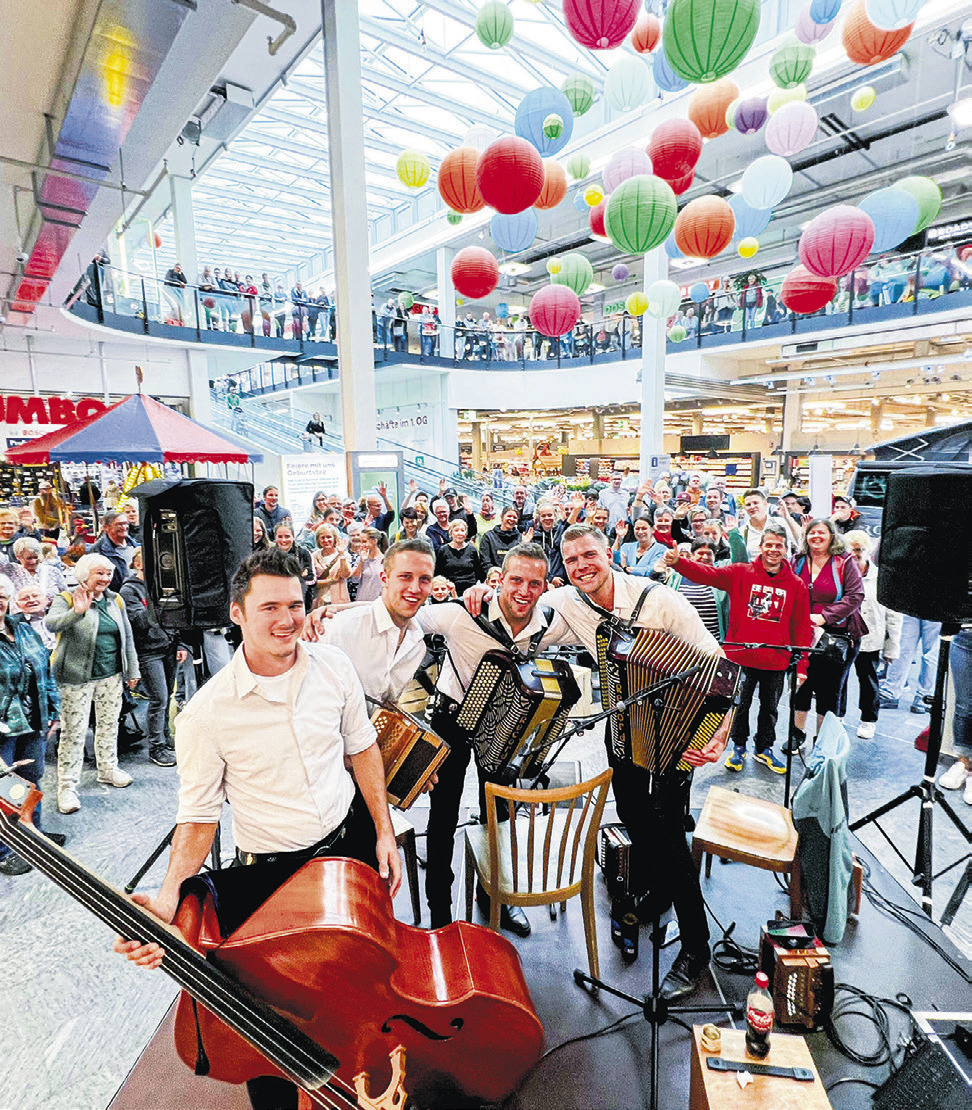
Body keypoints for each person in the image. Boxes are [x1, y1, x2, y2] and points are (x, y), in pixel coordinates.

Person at [114, 548, 400, 1110]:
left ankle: (360, 1081)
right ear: (237, 613)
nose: (286, 619)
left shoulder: (334, 667)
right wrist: (171, 892)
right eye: (269, 606)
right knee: (274, 1023)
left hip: (349, 845)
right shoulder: (205, 714)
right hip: (273, 876)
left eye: (295, 604)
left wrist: (384, 831)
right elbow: (198, 817)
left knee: (356, 986)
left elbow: (362, 748)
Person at [534, 525, 732, 1003]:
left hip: (672, 732)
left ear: (609, 554)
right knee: (633, 815)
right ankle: (660, 891)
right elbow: (527, 623)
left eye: (590, 555)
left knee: (668, 830)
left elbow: (720, 667)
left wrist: (720, 733)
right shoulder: (568, 603)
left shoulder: (661, 602)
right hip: (622, 726)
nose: (582, 566)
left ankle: (696, 946)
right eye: (572, 560)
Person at [664, 524, 812, 776]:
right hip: (739, 657)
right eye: (769, 544)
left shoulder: (796, 584)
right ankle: (738, 746)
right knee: (738, 706)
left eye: (779, 545)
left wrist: (802, 666)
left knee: (770, 708)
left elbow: (801, 626)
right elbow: (707, 574)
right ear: (761, 547)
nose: (773, 550)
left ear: (786, 549)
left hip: (775, 660)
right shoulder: (741, 573)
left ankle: (764, 748)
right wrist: (679, 563)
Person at [45, 553, 140, 815]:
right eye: (99, 573)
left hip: (111, 674)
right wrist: (77, 613)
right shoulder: (65, 599)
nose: (105, 578)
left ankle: (108, 769)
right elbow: (50, 624)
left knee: (108, 725)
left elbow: (127, 637)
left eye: (108, 574)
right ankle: (67, 786)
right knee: (74, 733)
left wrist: (132, 669)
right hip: (75, 677)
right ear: (84, 575)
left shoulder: (115, 600)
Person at [0, 575, 64, 876]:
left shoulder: (24, 630)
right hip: (3, 726)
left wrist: (53, 710)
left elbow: (45, 671)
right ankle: (4, 850)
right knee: (3, 787)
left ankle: (32, 836)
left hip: (33, 719)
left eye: (2, 595)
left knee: (32, 778)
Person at [789, 520, 866, 750]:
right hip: (801, 633)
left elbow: (855, 596)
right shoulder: (797, 560)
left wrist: (825, 616)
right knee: (800, 685)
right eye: (812, 532)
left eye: (821, 532)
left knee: (828, 691)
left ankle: (822, 741)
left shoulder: (845, 562)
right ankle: (797, 734)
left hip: (836, 634)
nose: (816, 536)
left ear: (832, 536)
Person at [120, 548, 188, 767]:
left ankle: (164, 738)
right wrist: (156, 598)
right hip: (148, 651)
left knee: (167, 696)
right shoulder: (129, 591)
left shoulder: (166, 585)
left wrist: (181, 643)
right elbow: (138, 622)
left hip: (169, 645)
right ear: (139, 565)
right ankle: (156, 746)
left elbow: (179, 615)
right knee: (158, 698)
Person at [844, 530, 900, 740]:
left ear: (868, 551)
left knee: (868, 681)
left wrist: (892, 648)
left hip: (871, 640)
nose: (855, 554)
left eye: (859, 549)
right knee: (838, 681)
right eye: (850, 550)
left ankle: (868, 720)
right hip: (844, 637)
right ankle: (837, 716)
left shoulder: (882, 579)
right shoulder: (840, 573)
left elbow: (894, 615)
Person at [6, 536, 66, 605]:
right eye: (29, 558)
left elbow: (65, 595)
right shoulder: (11, 571)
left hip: (52, 614)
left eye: (36, 557)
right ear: (18, 557)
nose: (33, 561)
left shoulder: (53, 571)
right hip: (20, 614)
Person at [434, 520, 484, 597]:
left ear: (466, 533)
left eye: (462, 530)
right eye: (456, 530)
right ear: (451, 533)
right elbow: (438, 573)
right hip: (450, 590)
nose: (460, 533)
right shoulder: (443, 550)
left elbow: (478, 573)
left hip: (470, 589)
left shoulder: (472, 550)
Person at [273, 522, 316, 609]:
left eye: (287, 536)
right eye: (280, 537)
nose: (284, 540)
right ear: (275, 538)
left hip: (301, 602)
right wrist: (299, 575)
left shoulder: (303, 553)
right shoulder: (269, 555)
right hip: (276, 601)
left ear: (293, 537)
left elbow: (312, 579)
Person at [90, 511, 134, 591]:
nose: (124, 527)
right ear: (106, 527)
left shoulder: (136, 546)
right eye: (119, 524)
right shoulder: (98, 551)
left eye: (126, 523)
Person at [311, 523, 351, 607]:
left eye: (329, 537)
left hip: (338, 600)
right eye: (322, 537)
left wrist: (342, 555)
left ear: (334, 538)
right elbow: (311, 581)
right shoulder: (314, 556)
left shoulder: (344, 555)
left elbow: (346, 574)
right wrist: (330, 581)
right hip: (319, 600)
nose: (325, 540)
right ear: (318, 540)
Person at [479, 506, 530, 572]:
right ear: (502, 517)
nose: (511, 519)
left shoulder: (521, 538)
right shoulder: (488, 537)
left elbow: (523, 563)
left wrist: (524, 545)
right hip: (495, 578)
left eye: (514, 517)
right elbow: (485, 563)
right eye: (509, 516)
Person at [13, 583, 57, 649]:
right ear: (18, 605)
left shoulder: (58, 615)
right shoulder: (14, 623)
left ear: (46, 599)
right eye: (25, 598)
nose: (31, 600)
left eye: (35, 596)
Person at [348, 528, 384, 603]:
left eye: (364, 541)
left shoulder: (385, 560)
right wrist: (362, 561)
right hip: (361, 601)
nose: (361, 545)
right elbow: (355, 578)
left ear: (375, 541)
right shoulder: (361, 558)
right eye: (360, 541)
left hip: (378, 602)